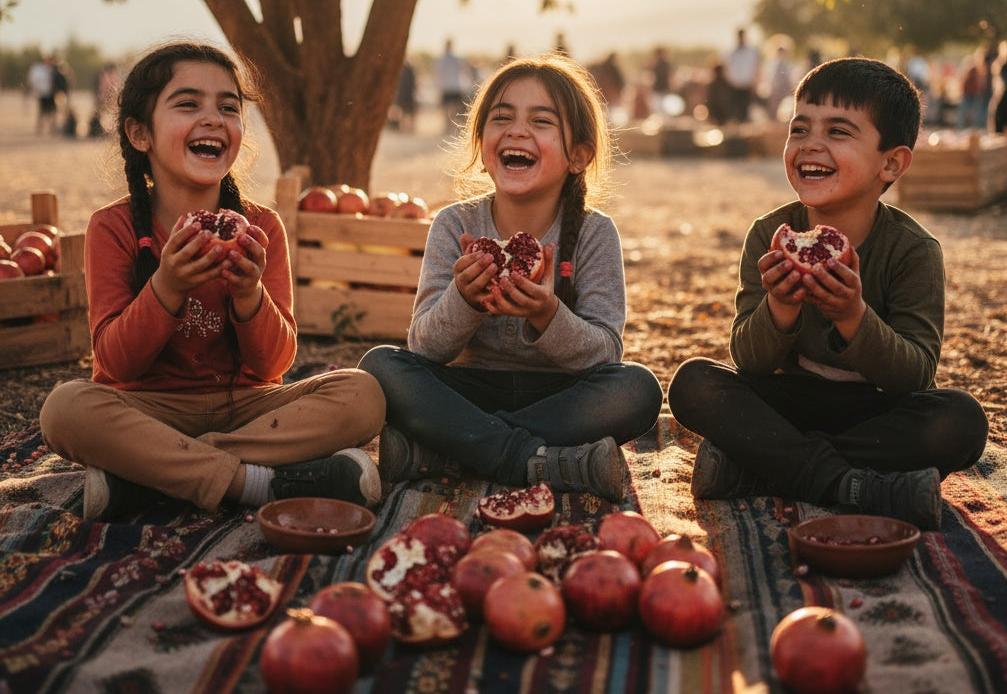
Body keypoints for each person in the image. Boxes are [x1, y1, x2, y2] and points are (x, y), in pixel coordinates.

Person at [39, 41, 386, 521]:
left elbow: (274, 365)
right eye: (188, 104)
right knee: (65, 408)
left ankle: (158, 474)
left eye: (229, 107)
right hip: (149, 408)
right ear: (139, 133)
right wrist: (167, 287)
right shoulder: (112, 227)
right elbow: (115, 365)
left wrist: (249, 294)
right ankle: (254, 481)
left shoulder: (262, 227)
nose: (213, 118)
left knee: (362, 393)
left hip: (248, 407)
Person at [667, 57, 988, 531]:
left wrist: (853, 316)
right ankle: (853, 485)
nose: (810, 145)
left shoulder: (913, 251)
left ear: (892, 163)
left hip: (873, 413)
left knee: (960, 421)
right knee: (693, 383)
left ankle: (760, 468)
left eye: (839, 132)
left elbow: (915, 375)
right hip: (786, 402)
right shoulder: (769, 235)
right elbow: (749, 360)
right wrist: (779, 307)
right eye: (799, 129)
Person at [358, 54, 664, 501]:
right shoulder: (454, 224)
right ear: (483, 144)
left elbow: (606, 354)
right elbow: (424, 347)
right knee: (381, 365)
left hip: (560, 398)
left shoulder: (596, 233)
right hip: (468, 394)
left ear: (578, 155)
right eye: (502, 118)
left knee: (636, 388)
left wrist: (548, 314)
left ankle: (454, 451)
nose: (517, 131)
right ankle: (531, 458)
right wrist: (463, 299)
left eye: (541, 121)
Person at [723, 27, 761, 123]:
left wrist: (755, 83)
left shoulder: (751, 52)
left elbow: (756, 68)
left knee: (746, 109)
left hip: (747, 85)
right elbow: (727, 68)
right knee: (735, 110)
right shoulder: (731, 52)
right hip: (734, 86)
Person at [436, 38, 471, 136]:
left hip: (445, 86)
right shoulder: (457, 59)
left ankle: (447, 128)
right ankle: (452, 127)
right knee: (454, 109)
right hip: (455, 86)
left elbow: (438, 73)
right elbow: (464, 70)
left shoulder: (440, 59)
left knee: (446, 109)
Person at [26, 53, 58, 134]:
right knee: (42, 111)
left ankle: (52, 127)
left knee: (52, 111)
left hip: (51, 94)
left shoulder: (53, 69)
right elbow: (33, 81)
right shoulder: (39, 70)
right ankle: (40, 127)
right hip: (42, 93)